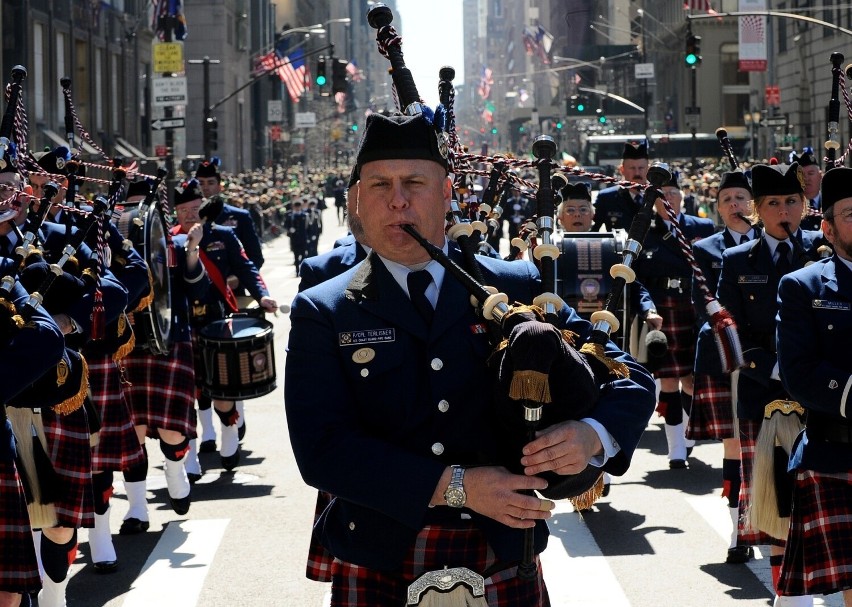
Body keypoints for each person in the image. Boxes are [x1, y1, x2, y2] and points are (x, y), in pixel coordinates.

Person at [285, 111, 656, 605]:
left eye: (414, 182)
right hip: (380, 553)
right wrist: (456, 487)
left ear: (446, 193)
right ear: (356, 200)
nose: (397, 199)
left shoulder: (519, 287)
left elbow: (628, 376)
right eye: (379, 185)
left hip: (501, 551)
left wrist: (593, 435)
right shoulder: (324, 309)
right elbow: (322, 449)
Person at [716, 161, 823, 607]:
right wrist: (776, 369)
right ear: (757, 210)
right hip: (764, 394)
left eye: (792, 201)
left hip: (819, 397)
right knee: (776, 497)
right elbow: (726, 328)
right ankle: (788, 596)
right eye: (774, 203)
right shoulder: (738, 260)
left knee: (817, 496)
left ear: (805, 206)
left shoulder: (823, 254)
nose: (785, 210)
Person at [776, 166, 852, 607]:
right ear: (826, 227)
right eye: (850, 214)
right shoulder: (803, 286)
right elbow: (799, 372)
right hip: (836, 455)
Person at [120, 180, 210, 535]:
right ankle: (137, 509)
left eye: (142, 209)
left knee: (173, 431)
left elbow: (199, 289)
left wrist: (192, 251)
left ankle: (175, 472)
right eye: (131, 209)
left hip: (171, 340)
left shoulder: (173, 244)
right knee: (133, 433)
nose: (136, 218)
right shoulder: (111, 246)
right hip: (129, 347)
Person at [174, 179, 277, 471]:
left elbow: (247, 268)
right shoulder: (168, 240)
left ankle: (229, 431)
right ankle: (193, 452)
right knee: (188, 391)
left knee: (221, 387)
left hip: (216, 319)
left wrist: (263, 295)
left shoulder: (223, 235)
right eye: (183, 210)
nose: (190, 215)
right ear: (176, 213)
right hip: (183, 322)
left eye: (194, 208)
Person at [688, 169, 759, 563]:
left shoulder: (773, 245)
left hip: (768, 361)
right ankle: (738, 533)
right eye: (728, 199)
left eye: (742, 199)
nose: (736, 205)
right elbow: (701, 304)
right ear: (716, 207)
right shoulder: (705, 249)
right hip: (722, 356)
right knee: (735, 448)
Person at [632, 172, 715, 468]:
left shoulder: (702, 227)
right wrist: (647, 309)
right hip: (662, 311)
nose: (668, 200)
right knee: (668, 380)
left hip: (694, 309)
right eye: (661, 195)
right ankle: (676, 448)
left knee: (692, 382)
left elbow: (714, 269)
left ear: (683, 197)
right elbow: (636, 279)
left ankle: (689, 432)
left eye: (673, 193)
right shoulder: (644, 231)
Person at [195, 158, 265, 271]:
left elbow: (256, 257)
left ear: (219, 187)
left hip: (231, 284)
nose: (205, 188)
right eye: (201, 183)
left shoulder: (240, 216)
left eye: (211, 183)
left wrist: (238, 279)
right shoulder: (189, 217)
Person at [592, 141, 649, 231]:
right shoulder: (607, 198)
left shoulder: (655, 197)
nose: (637, 173)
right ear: (622, 170)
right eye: (632, 168)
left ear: (648, 169)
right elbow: (593, 231)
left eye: (641, 168)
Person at [791, 148, 823, 231]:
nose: (806, 178)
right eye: (801, 175)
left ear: (820, 175)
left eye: (810, 173)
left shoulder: (830, 202)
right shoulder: (790, 206)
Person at [284, 200, 310, 275]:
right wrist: (289, 230)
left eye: (299, 206)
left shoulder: (305, 215)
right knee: (296, 255)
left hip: (303, 238)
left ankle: (303, 271)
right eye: (296, 206)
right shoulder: (290, 216)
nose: (298, 208)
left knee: (303, 255)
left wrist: (308, 237)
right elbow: (286, 225)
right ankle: (297, 270)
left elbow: (308, 227)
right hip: (294, 239)